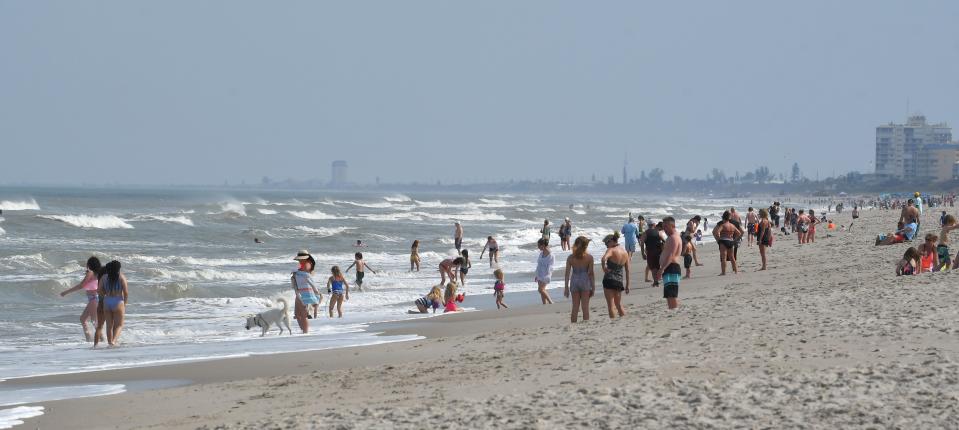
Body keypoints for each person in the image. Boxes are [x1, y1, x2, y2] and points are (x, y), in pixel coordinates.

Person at [60, 256, 103, 342]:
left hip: (94, 299)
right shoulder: (97, 273)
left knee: (94, 322)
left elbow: (81, 285)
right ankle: (89, 339)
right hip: (94, 299)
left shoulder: (90, 273)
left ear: (90, 264)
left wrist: (66, 292)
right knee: (83, 319)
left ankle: (103, 340)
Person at [95, 260, 128, 347]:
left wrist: (105, 294)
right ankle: (113, 341)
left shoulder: (104, 277)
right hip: (118, 301)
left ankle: (110, 343)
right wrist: (125, 304)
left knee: (109, 326)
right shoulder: (121, 277)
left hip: (107, 301)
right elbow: (126, 292)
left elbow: (98, 290)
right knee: (119, 325)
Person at [563, 236, 594, 323]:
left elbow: (567, 274)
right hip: (585, 281)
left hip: (575, 281)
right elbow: (591, 274)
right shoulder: (589, 258)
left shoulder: (570, 258)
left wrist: (566, 287)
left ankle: (573, 324)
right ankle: (586, 324)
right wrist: (593, 287)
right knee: (585, 307)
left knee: (575, 307)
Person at [600, 232, 630, 318]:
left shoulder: (611, 250)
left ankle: (613, 323)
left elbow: (603, 259)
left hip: (609, 279)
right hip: (619, 281)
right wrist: (627, 285)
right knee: (619, 304)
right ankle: (623, 319)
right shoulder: (625, 252)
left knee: (610, 306)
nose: (606, 245)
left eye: (606, 243)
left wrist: (604, 268)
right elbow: (627, 270)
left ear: (611, 241)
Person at [291, 250, 321, 333]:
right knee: (297, 314)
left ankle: (305, 332)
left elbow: (306, 274)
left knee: (303, 314)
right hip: (300, 290)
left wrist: (295, 272)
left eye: (301, 259)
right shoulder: (302, 264)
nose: (299, 260)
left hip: (305, 291)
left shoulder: (307, 263)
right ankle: (303, 331)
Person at [659, 217, 682, 310]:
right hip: (669, 267)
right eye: (663, 226)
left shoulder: (674, 237)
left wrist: (662, 269)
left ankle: (674, 311)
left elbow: (671, 255)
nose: (664, 229)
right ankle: (673, 310)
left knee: (671, 294)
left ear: (673, 226)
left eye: (666, 226)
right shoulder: (671, 237)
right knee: (669, 294)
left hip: (671, 267)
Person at [712, 211, 742, 275]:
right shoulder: (732, 225)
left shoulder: (723, 225)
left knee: (724, 258)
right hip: (731, 241)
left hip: (724, 241)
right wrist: (734, 240)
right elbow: (739, 233)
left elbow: (717, 232)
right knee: (732, 257)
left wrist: (719, 240)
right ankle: (736, 271)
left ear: (723, 218)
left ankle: (723, 272)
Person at [641, 222, 665, 286]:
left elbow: (642, 243)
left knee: (653, 268)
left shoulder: (645, 233)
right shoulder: (658, 232)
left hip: (650, 252)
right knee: (657, 266)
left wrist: (643, 253)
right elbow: (664, 241)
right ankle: (658, 279)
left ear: (648, 226)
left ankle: (655, 281)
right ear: (654, 225)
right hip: (658, 252)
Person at [534, 238, 555, 304]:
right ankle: (544, 304)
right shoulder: (541, 254)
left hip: (546, 274)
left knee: (540, 289)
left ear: (543, 245)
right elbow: (539, 264)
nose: (538, 247)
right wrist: (537, 275)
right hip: (539, 273)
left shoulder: (551, 255)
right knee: (542, 290)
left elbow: (551, 266)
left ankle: (551, 302)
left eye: (539, 246)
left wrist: (547, 275)